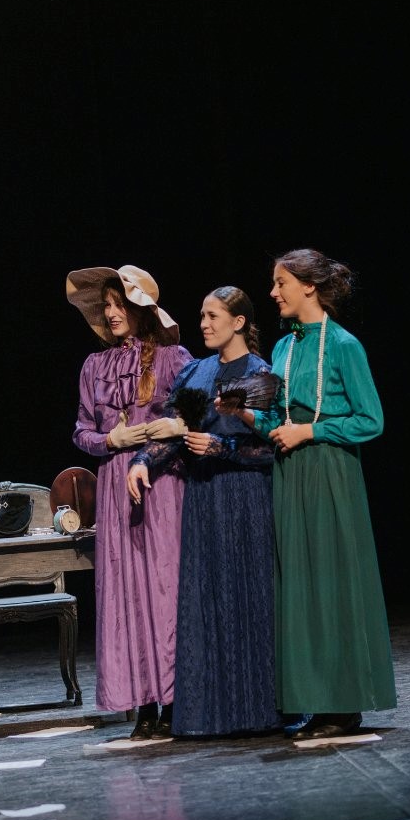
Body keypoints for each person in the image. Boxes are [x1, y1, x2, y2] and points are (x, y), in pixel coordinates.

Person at [242, 249, 396, 741]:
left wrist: (311, 431)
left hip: (330, 471)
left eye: (281, 282)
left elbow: (370, 420)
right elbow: (275, 419)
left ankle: (344, 704)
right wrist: (246, 414)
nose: (273, 292)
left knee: (333, 581)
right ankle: (314, 698)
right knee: (300, 585)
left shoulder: (345, 345)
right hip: (290, 474)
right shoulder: (284, 348)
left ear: (309, 286)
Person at [127, 287, 278, 737]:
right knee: (207, 599)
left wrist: (223, 446)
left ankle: (260, 710)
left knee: (248, 598)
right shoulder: (196, 372)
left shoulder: (260, 374)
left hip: (246, 497)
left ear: (238, 322)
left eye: (213, 316)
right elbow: (175, 433)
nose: (204, 324)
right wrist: (143, 460)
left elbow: (271, 448)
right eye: (202, 316)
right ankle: (211, 713)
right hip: (204, 498)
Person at [68, 265, 193, 739]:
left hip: (161, 484)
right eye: (107, 306)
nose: (111, 313)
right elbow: (81, 430)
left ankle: (175, 699)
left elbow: (191, 419)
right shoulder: (94, 366)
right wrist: (110, 440)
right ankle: (142, 705)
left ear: (142, 310)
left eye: (120, 304)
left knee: (164, 589)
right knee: (125, 594)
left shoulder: (173, 358)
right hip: (114, 487)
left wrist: (161, 435)